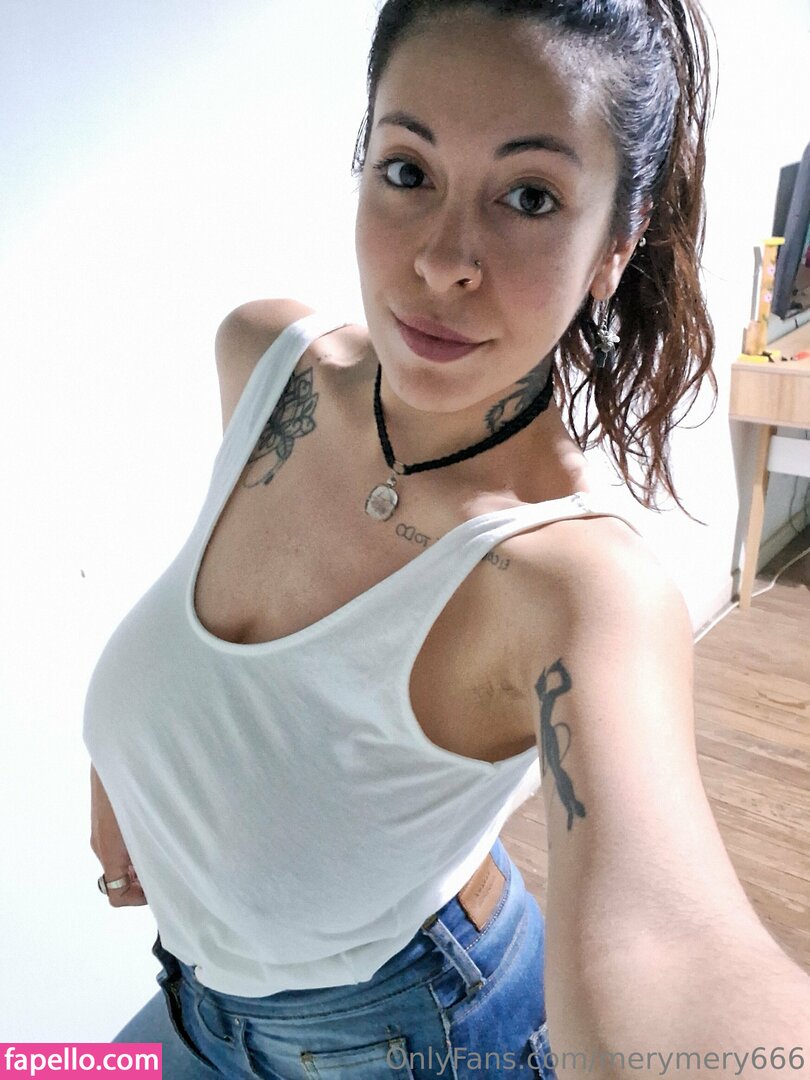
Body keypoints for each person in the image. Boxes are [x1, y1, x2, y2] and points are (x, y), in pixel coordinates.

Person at [85, 1, 810, 1077]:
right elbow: (231, 663)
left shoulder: (578, 586)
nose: (442, 261)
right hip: (192, 1003)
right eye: (408, 170)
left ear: (615, 245)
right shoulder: (266, 360)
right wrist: (125, 772)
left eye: (530, 196)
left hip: (409, 1033)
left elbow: (669, 951)